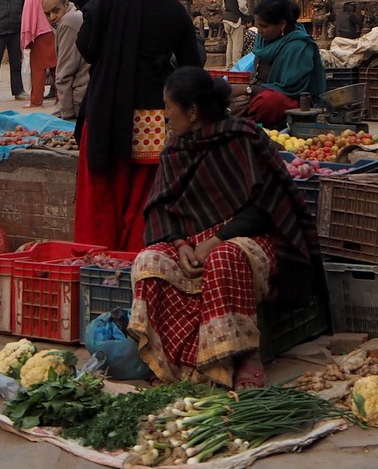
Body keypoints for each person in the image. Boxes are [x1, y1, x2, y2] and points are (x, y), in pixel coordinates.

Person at [129, 67, 321, 388]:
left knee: (224, 259)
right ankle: (178, 358)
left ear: (192, 111)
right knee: (149, 262)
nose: (164, 114)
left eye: (168, 106)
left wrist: (214, 241)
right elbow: (162, 209)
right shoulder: (175, 149)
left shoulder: (242, 138)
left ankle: (243, 354)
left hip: (250, 240)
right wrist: (181, 245)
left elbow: (267, 205)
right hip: (191, 245)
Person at [74, 0, 204, 250]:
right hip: (152, 112)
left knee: (101, 190)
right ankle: (136, 261)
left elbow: (87, 47)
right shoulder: (174, 10)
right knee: (142, 192)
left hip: (106, 105)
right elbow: (192, 64)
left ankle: (95, 263)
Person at [240, 0, 326, 126]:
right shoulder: (262, 40)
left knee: (268, 102)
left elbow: (290, 90)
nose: (260, 31)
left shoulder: (299, 47)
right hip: (257, 92)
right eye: (258, 27)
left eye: (264, 26)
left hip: (289, 101)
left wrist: (248, 90)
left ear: (282, 24)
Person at [43, 0, 87, 119]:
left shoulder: (67, 23)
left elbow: (64, 74)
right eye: (47, 14)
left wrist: (67, 115)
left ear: (66, 4)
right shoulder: (76, 16)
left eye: (56, 10)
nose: (52, 17)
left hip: (79, 98)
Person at [23, 0, 57, 107]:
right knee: (59, 69)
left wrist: (26, 40)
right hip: (57, 34)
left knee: (38, 70)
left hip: (39, 36)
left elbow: (27, 19)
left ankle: (36, 100)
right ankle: (62, 98)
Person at [221, 0, 249, 66]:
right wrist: (247, 14)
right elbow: (242, 7)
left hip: (226, 19)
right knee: (237, 45)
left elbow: (224, 6)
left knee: (230, 44)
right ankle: (236, 66)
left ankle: (229, 66)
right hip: (236, 20)